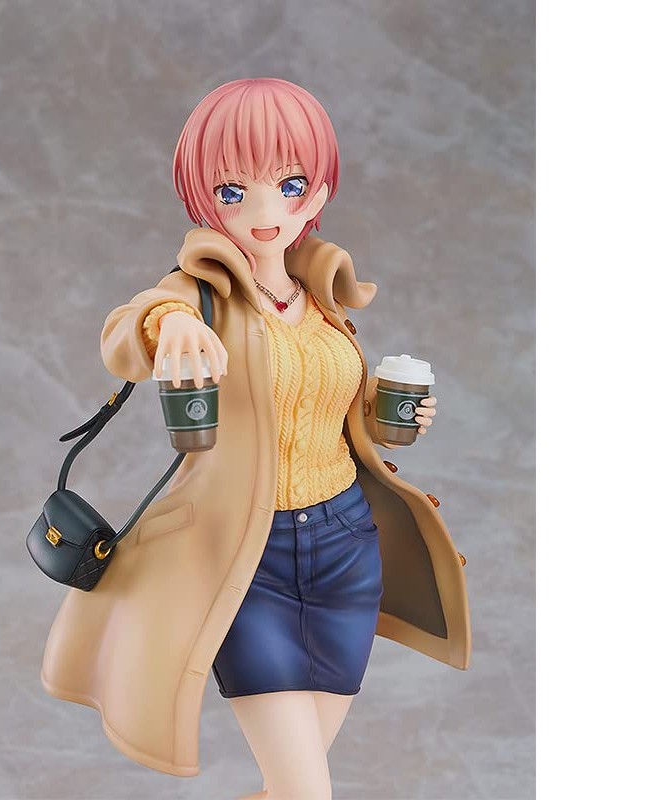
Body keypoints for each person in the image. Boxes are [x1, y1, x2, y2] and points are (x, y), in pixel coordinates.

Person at [41, 78, 471, 800]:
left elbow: (326, 414)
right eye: (234, 191)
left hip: (346, 552)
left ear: (319, 188)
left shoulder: (321, 298)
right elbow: (126, 331)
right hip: (249, 558)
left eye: (290, 184)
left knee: (289, 788)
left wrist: (384, 418)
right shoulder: (200, 293)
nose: (266, 212)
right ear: (204, 198)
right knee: (307, 791)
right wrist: (170, 323)